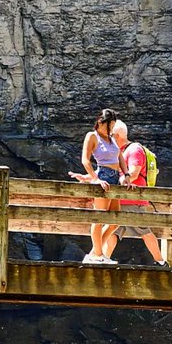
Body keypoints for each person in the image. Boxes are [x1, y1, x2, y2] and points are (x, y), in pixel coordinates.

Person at [102, 120, 170, 269]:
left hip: (133, 200)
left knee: (143, 231)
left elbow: (133, 173)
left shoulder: (134, 149)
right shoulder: (121, 152)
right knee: (112, 230)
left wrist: (117, 181)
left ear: (117, 135)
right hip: (121, 200)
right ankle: (102, 258)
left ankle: (161, 262)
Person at [72, 107, 125, 264]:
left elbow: (120, 157)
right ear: (101, 122)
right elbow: (85, 160)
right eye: (110, 125)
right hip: (103, 178)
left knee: (115, 220)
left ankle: (95, 253)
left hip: (115, 179)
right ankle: (98, 255)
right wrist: (95, 179)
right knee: (99, 217)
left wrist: (126, 175)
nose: (112, 128)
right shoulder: (92, 136)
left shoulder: (112, 138)